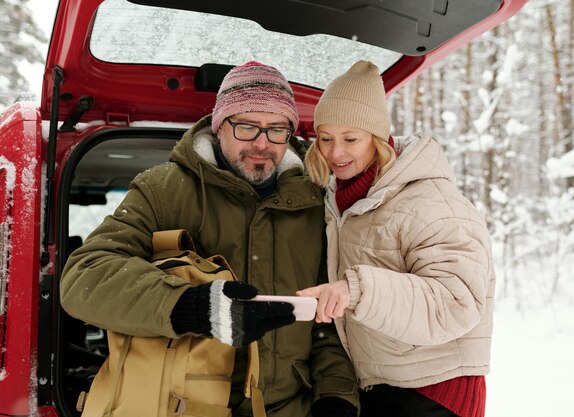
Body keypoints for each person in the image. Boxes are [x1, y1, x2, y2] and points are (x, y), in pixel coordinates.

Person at [61, 61, 359, 417]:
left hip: (286, 407)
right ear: (220, 127)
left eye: (277, 129)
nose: (263, 144)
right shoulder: (164, 190)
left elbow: (328, 322)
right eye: (247, 126)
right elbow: (84, 278)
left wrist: (337, 396)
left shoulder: (314, 204)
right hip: (180, 406)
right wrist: (191, 306)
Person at [298, 60, 495, 417]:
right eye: (326, 139)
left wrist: (354, 290)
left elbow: (456, 300)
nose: (335, 152)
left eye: (350, 139)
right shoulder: (340, 201)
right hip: (380, 385)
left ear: (377, 137)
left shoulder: (430, 201)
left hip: (434, 392)